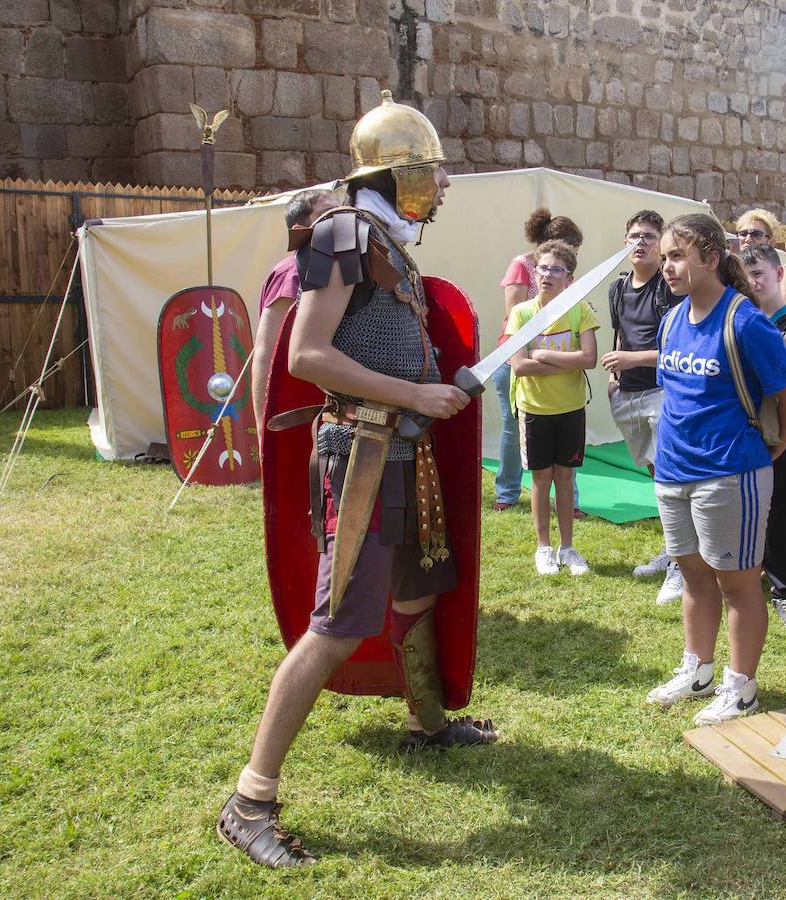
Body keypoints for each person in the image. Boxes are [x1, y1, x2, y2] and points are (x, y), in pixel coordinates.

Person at [217, 93, 497, 869]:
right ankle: (250, 800)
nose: (442, 188)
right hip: (365, 455)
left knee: (419, 591)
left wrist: (450, 384)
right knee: (336, 625)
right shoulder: (344, 232)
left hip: (404, 449)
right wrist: (412, 395)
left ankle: (427, 724)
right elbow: (307, 355)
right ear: (402, 172)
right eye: (434, 174)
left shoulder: (388, 241)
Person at [646, 213, 786, 725]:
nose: (666, 265)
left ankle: (742, 685)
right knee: (692, 575)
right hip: (673, 470)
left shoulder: (746, 321)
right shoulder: (672, 319)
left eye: (676, 255)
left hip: (730, 472)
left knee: (738, 582)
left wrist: (772, 452)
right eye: (665, 255)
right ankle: (698, 668)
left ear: (711, 258)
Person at [600, 209, 686, 602]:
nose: (641, 242)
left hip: (662, 392)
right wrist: (615, 379)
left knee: (672, 477)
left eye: (649, 236)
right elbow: (621, 332)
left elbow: (678, 348)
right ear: (624, 242)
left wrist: (631, 361)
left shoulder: (668, 288)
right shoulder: (617, 289)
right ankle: (673, 549)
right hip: (629, 393)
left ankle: (683, 564)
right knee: (656, 474)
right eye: (634, 235)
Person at [507, 240, 599, 576]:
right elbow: (519, 366)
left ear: (569, 279)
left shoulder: (580, 310)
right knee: (541, 479)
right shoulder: (522, 313)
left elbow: (588, 359)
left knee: (565, 476)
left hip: (570, 408)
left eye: (555, 270)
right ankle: (543, 547)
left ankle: (568, 547)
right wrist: (566, 362)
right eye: (542, 268)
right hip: (534, 409)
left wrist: (544, 356)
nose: (547, 275)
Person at [494, 208, 584, 514]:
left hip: (551, 358)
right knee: (513, 427)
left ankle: (570, 502)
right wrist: (550, 354)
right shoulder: (521, 266)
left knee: (565, 437)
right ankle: (506, 492)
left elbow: (585, 352)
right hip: (517, 360)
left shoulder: (565, 278)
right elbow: (515, 311)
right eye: (571, 247)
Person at [741, 244, 786, 626]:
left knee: (779, 512)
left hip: (784, 436)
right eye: (747, 276)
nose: (753, 283)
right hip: (745, 434)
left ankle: (785, 590)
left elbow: (782, 382)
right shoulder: (742, 320)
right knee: (747, 511)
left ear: (780, 275)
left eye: (759, 274)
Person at [251, 188, 336, 432]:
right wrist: (263, 424)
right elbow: (267, 352)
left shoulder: (334, 269)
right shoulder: (292, 273)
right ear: (300, 232)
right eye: (328, 213)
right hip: (295, 404)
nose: (339, 219)